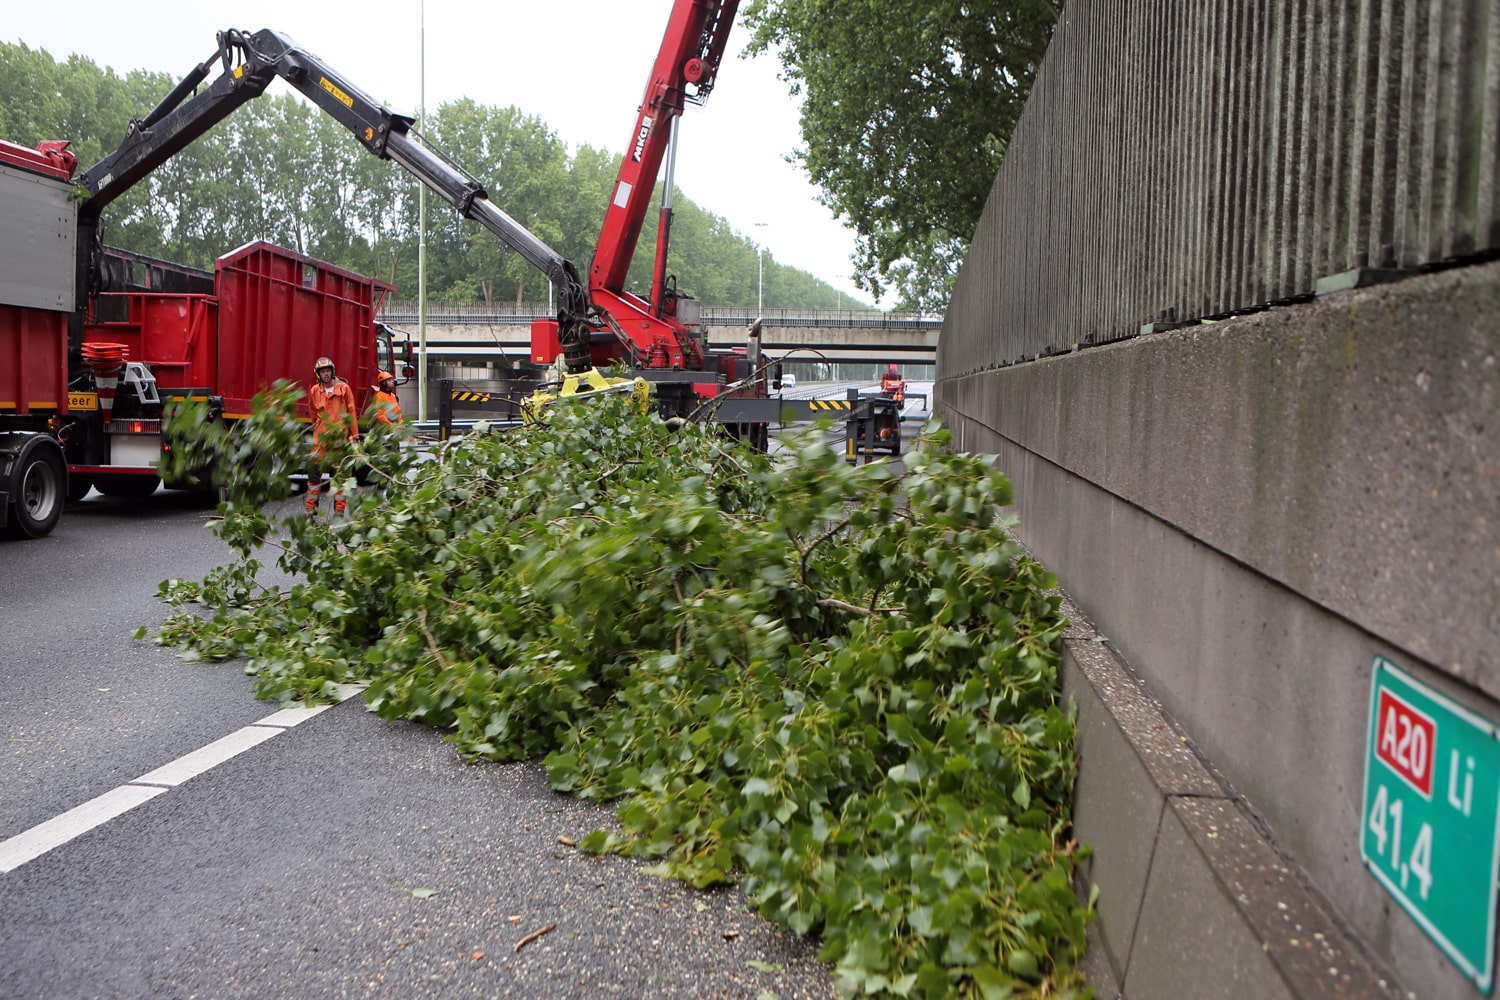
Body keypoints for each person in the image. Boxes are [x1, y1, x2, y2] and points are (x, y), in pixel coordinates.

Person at [306, 356, 359, 515]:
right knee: (314, 472)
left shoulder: (343, 389)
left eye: (328, 371)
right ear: (318, 374)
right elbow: (313, 414)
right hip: (320, 441)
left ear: (332, 372)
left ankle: (339, 511)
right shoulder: (315, 391)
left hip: (339, 440)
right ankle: (310, 508)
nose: (326, 374)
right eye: (323, 372)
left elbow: (351, 413)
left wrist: (354, 437)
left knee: (339, 476)